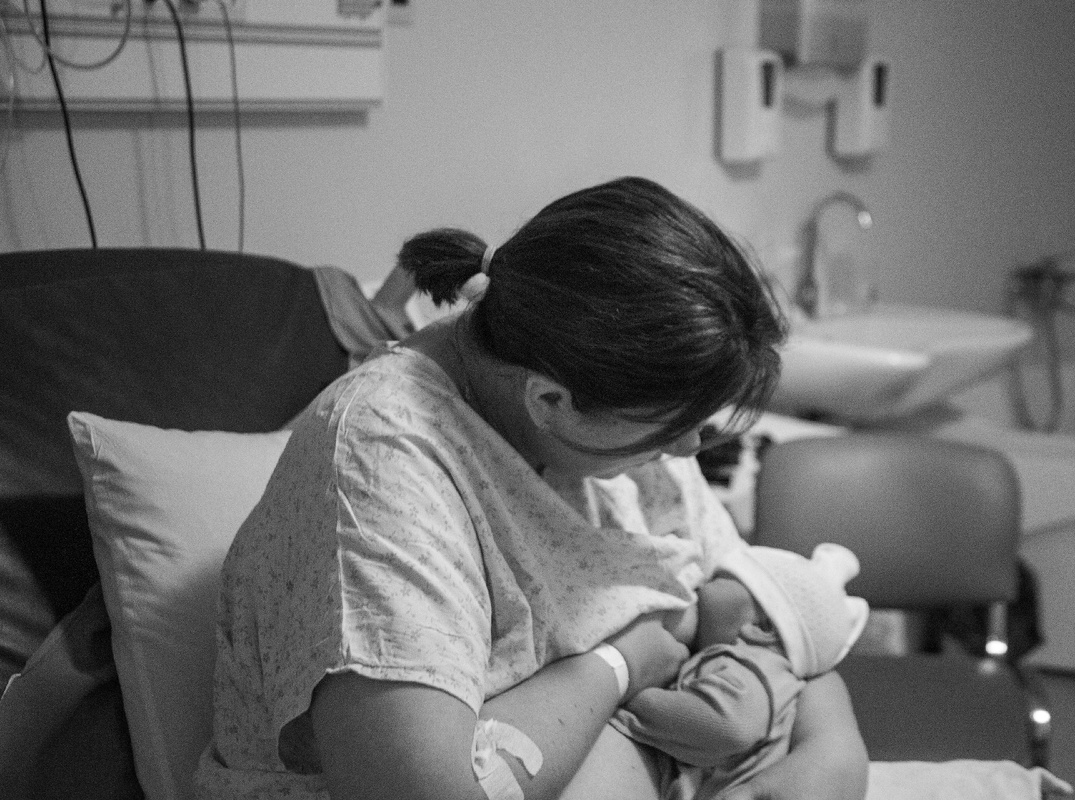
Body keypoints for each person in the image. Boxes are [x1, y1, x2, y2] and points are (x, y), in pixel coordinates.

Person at [193, 176, 869, 800]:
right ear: (550, 401)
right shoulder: (384, 464)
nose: (690, 447)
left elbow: (764, 610)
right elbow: (425, 792)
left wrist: (831, 744)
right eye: (672, 430)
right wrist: (618, 665)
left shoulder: (622, 421)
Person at [613, 543, 870, 800]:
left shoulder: (749, 664)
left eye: (720, 579)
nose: (701, 585)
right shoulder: (769, 674)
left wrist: (631, 700)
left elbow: (728, 726)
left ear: (762, 628)